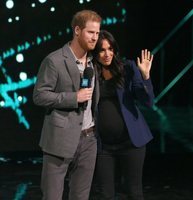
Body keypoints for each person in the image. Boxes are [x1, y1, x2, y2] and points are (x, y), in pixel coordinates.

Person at [33, 10, 102, 200]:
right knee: (52, 196)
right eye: (90, 32)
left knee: (80, 197)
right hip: (59, 139)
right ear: (77, 30)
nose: (95, 37)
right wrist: (74, 97)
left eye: (97, 33)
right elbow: (39, 96)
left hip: (88, 139)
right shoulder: (54, 60)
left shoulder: (92, 63)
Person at [92, 30, 154, 200]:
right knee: (105, 195)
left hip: (131, 143)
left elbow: (147, 102)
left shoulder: (127, 68)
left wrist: (145, 76)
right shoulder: (90, 72)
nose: (107, 54)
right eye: (102, 50)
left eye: (110, 49)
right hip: (103, 146)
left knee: (134, 193)